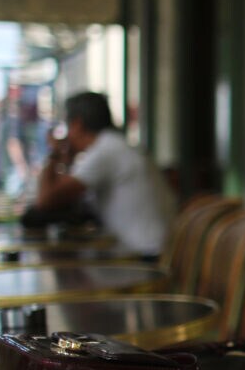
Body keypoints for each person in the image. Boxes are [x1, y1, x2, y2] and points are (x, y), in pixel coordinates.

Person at [35, 92, 177, 259]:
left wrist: (55, 153)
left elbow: (45, 201)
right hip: (153, 251)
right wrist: (67, 159)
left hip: (148, 257)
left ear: (77, 124)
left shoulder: (105, 151)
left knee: (69, 270)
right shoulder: (113, 145)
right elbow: (63, 196)